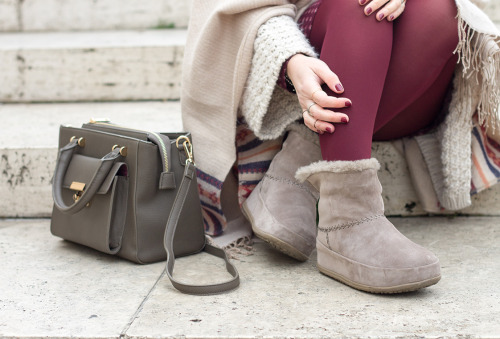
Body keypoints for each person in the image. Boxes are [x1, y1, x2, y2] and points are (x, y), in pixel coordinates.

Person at [181, 0, 500, 293]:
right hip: (303, 71)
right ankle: (348, 221)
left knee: (437, 8)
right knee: (361, 6)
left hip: (408, 88)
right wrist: (292, 59)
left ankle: (294, 167)